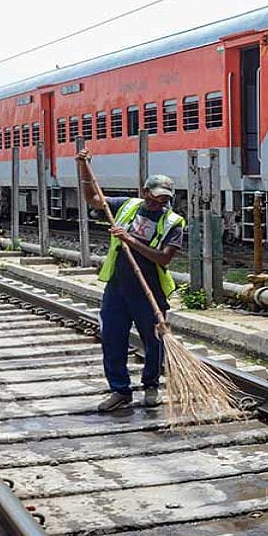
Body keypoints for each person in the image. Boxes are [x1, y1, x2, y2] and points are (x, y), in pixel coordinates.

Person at [76, 150, 185, 412]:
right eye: (156, 195)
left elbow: (164, 259)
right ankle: (120, 391)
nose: (160, 201)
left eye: (165, 197)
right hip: (118, 287)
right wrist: (82, 166)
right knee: (113, 338)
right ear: (145, 192)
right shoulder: (127, 206)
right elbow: (92, 198)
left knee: (154, 340)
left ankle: (151, 386)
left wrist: (130, 241)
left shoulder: (173, 222)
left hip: (150, 290)